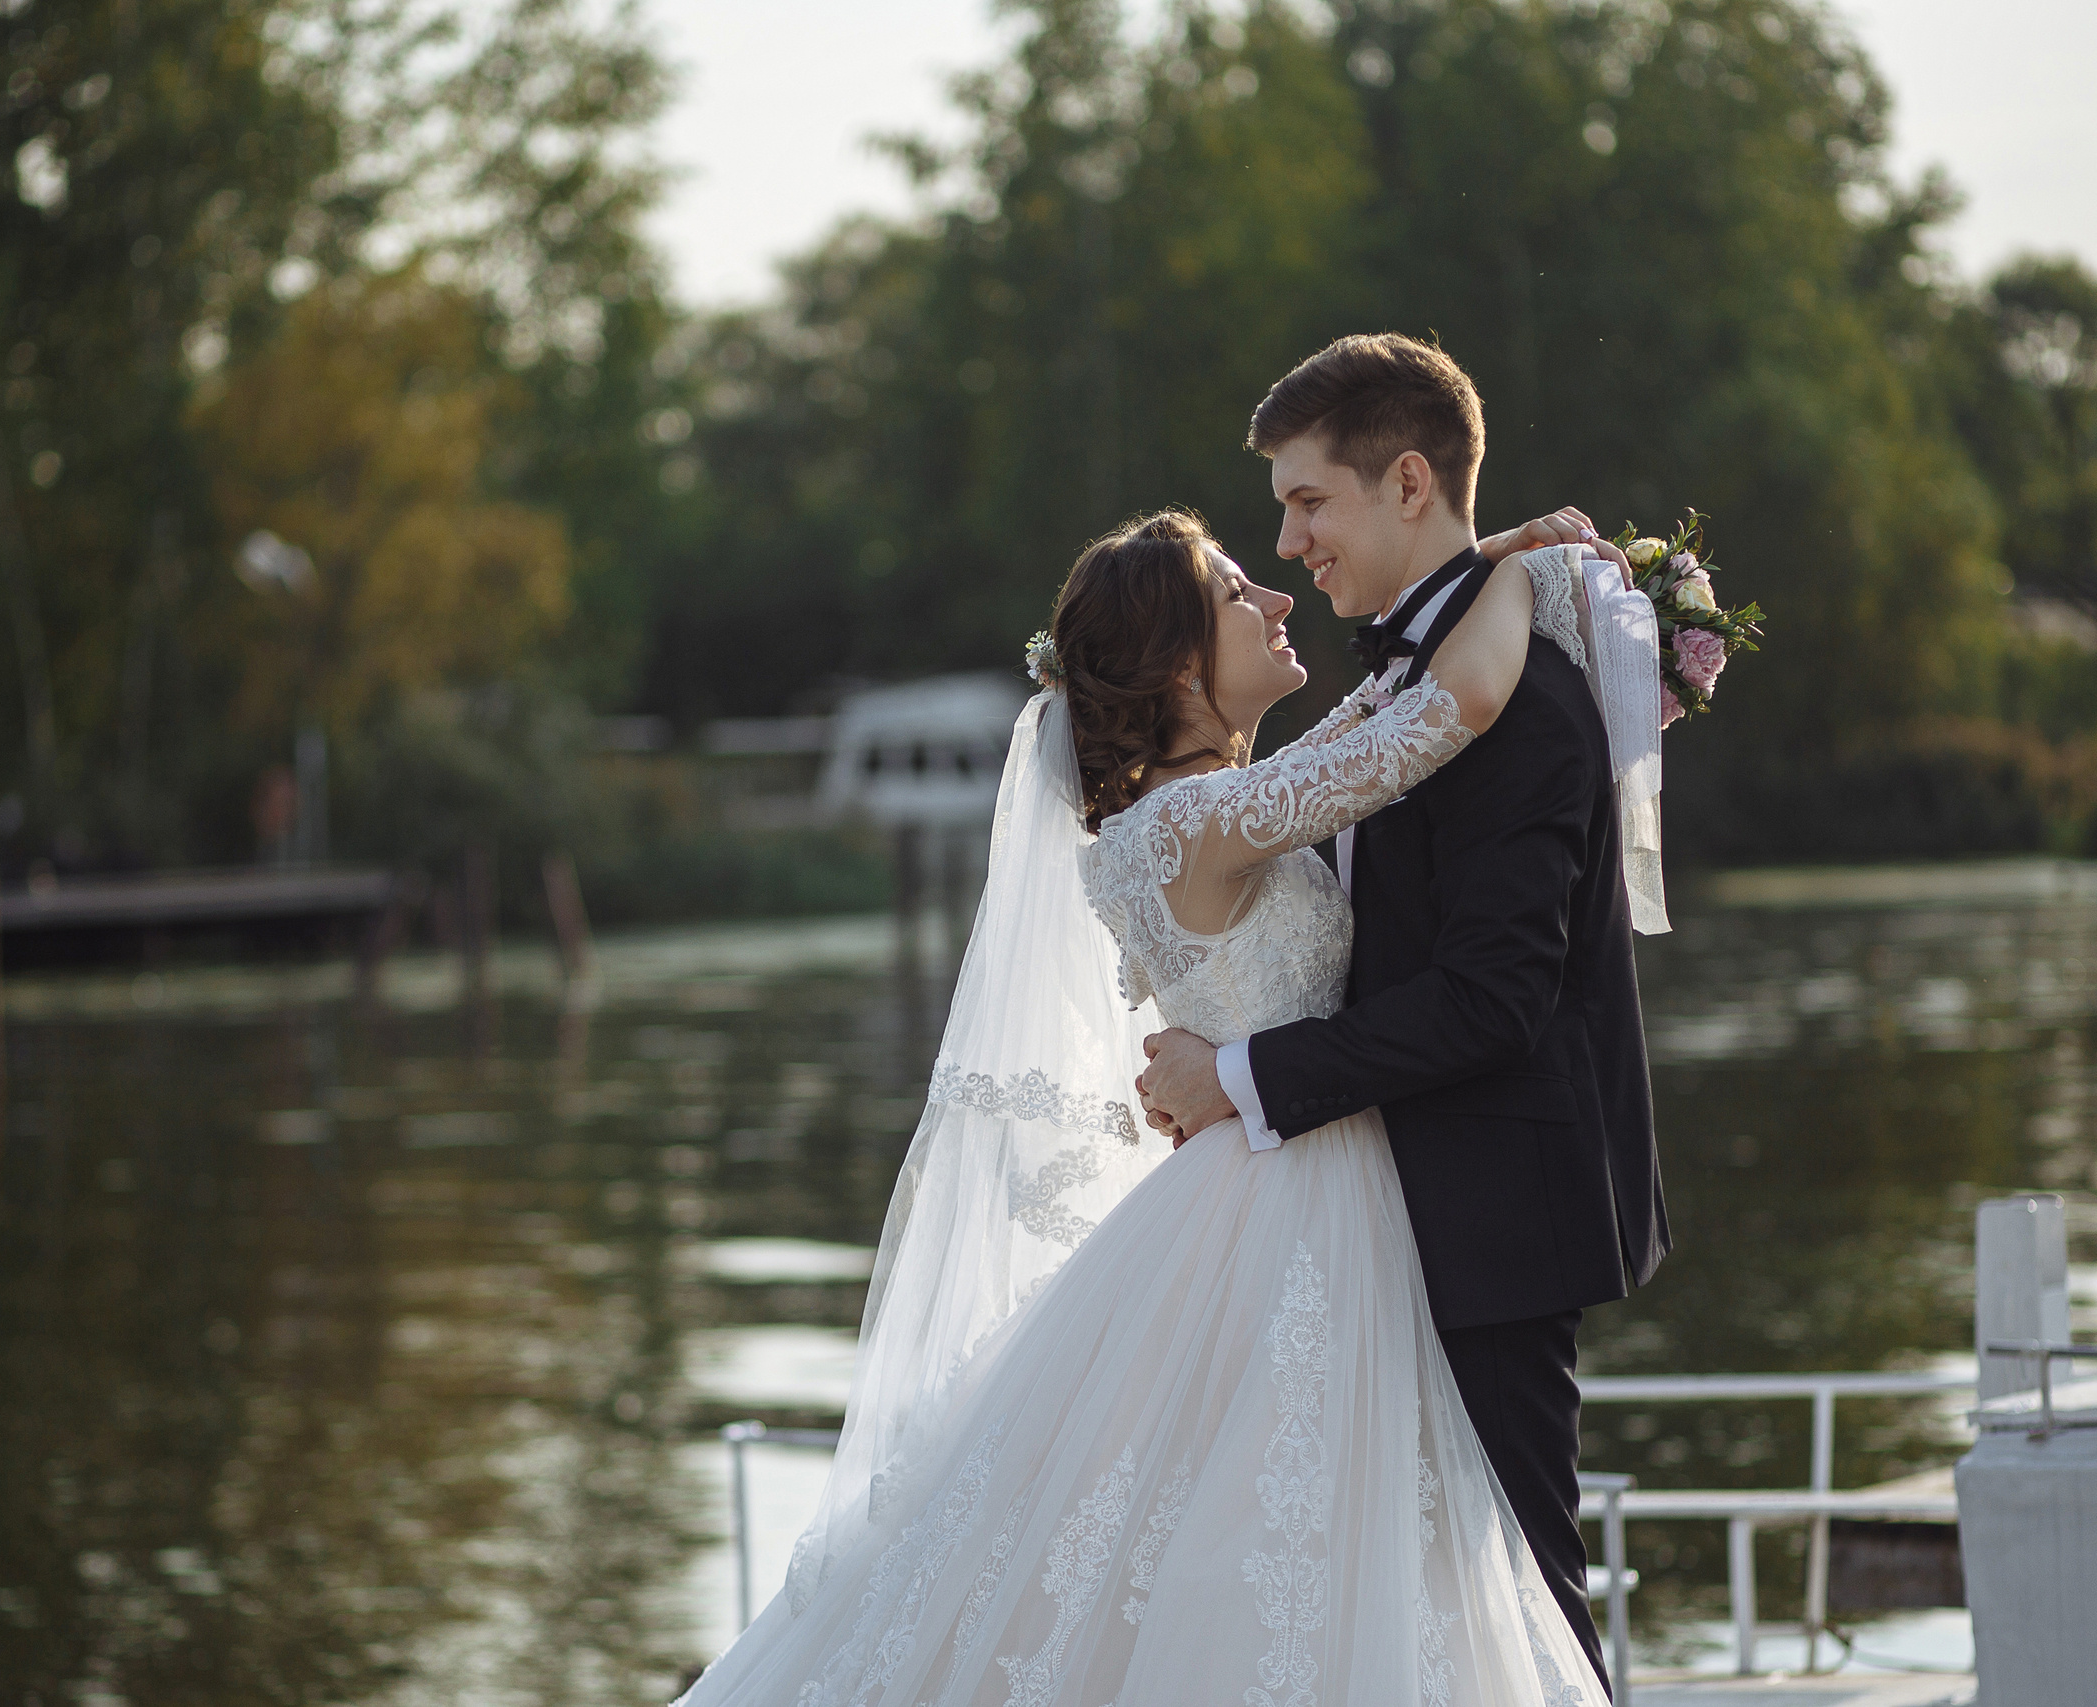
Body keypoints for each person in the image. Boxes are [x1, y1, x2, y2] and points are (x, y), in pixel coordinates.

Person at [677, 474, 1632, 1704]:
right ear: (1180, 670)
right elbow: (1448, 704)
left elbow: (1374, 704)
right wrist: (1506, 583)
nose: (1277, 591)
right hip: (1296, 1202)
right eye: (1239, 590)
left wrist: (1474, 556)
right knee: (1285, 1548)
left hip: (1278, 1176)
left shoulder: (1193, 815)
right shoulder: (1196, 827)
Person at [1136, 332, 1669, 1686]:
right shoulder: (1404, 688)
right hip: (1357, 1214)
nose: (1291, 537)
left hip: (1489, 1200)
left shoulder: (1517, 696)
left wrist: (1241, 1070)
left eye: (1309, 500)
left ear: (1410, 481)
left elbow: (1496, 999)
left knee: (1525, 1602)